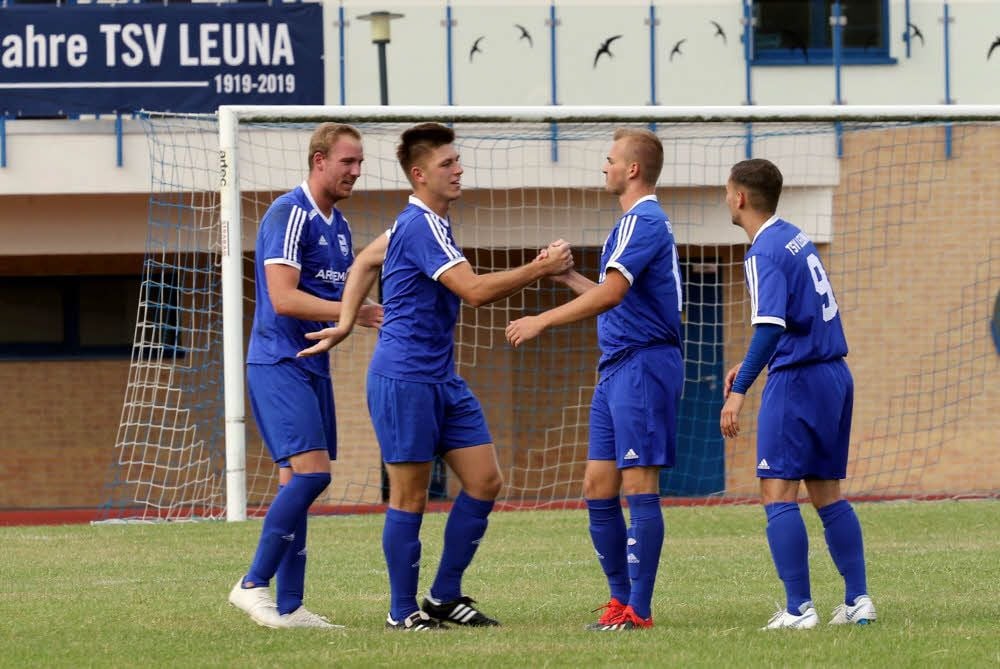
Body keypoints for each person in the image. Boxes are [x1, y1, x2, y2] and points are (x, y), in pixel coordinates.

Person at [298, 122, 574, 631]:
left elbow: (363, 262)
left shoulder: (422, 223)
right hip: (404, 379)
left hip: (442, 377)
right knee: (410, 497)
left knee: (485, 481)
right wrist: (540, 268)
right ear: (420, 175)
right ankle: (400, 612)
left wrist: (344, 320)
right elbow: (473, 291)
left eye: (457, 161)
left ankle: (444, 596)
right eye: (448, 164)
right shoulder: (421, 225)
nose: (459, 169)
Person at [505, 127, 683, 631]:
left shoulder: (643, 220)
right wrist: (564, 278)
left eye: (609, 160)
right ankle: (618, 601)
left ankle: (639, 612)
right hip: (617, 368)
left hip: (644, 365)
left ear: (632, 169)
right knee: (596, 485)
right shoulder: (630, 224)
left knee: (638, 483)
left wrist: (542, 319)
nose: (603, 167)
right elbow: (615, 292)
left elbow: (608, 297)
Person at [228, 123, 383, 629]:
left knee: (299, 480)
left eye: (359, 162)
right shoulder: (288, 214)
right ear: (319, 161)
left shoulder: (338, 226)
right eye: (347, 162)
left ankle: (291, 607)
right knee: (315, 475)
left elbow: (341, 297)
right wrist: (352, 312)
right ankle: (253, 584)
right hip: (278, 363)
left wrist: (359, 307)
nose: (356, 171)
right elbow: (283, 298)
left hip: (313, 366)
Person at [720, 158, 875, 630]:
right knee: (827, 493)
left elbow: (769, 326)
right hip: (833, 375)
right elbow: (790, 320)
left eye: (727, 192)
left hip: (798, 380)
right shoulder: (795, 235)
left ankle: (798, 609)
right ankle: (857, 601)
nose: (726, 199)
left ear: (740, 197)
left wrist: (740, 390)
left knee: (777, 491)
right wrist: (746, 365)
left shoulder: (762, 251)